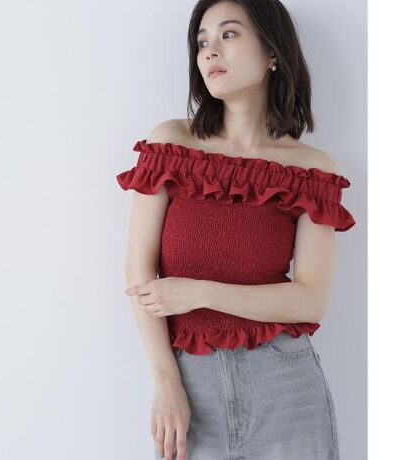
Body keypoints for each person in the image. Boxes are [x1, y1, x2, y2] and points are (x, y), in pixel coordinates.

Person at [116, 1, 356, 459]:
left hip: (286, 389)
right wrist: (166, 383)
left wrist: (198, 292)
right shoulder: (171, 144)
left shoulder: (312, 169)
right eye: (202, 41)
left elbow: (309, 300)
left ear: (272, 52)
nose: (209, 51)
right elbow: (138, 271)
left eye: (228, 34)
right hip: (191, 388)